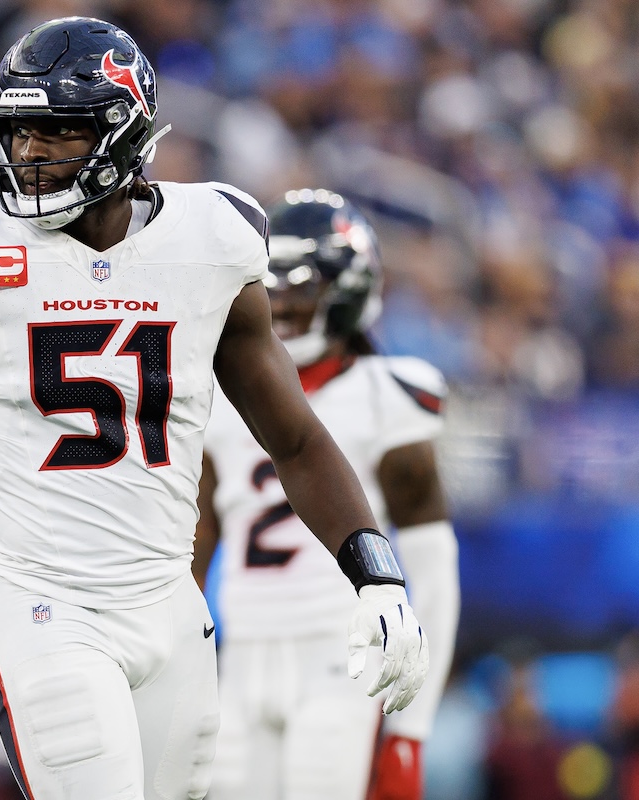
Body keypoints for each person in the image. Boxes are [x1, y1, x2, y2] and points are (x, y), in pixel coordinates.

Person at [0, 18, 429, 800]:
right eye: (18, 132)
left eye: (56, 132)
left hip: (171, 606)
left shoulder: (210, 241)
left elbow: (295, 438)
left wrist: (376, 576)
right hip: (40, 607)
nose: (28, 154)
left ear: (125, 132)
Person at [192, 189, 460, 800]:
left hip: (344, 658)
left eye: (300, 286)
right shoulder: (215, 390)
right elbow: (198, 536)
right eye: (270, 285)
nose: (281, 302)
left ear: (346, 289)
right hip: (241, 652)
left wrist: (409, 731)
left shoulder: (388, 396)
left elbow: (434, 574)